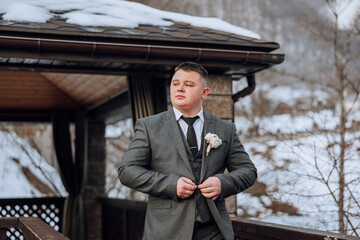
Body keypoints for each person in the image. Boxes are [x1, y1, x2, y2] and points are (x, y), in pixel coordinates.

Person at [118, 62, 257, 240]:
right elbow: (127, 171)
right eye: (175, 84)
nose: (180, 89)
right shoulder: (149, 126)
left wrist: (223, 183)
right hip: (165, 231)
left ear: (204, 93)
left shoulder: (225, 129)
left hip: (214, 229)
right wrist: (170, 184)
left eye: (189, 85)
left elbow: (249, 171)